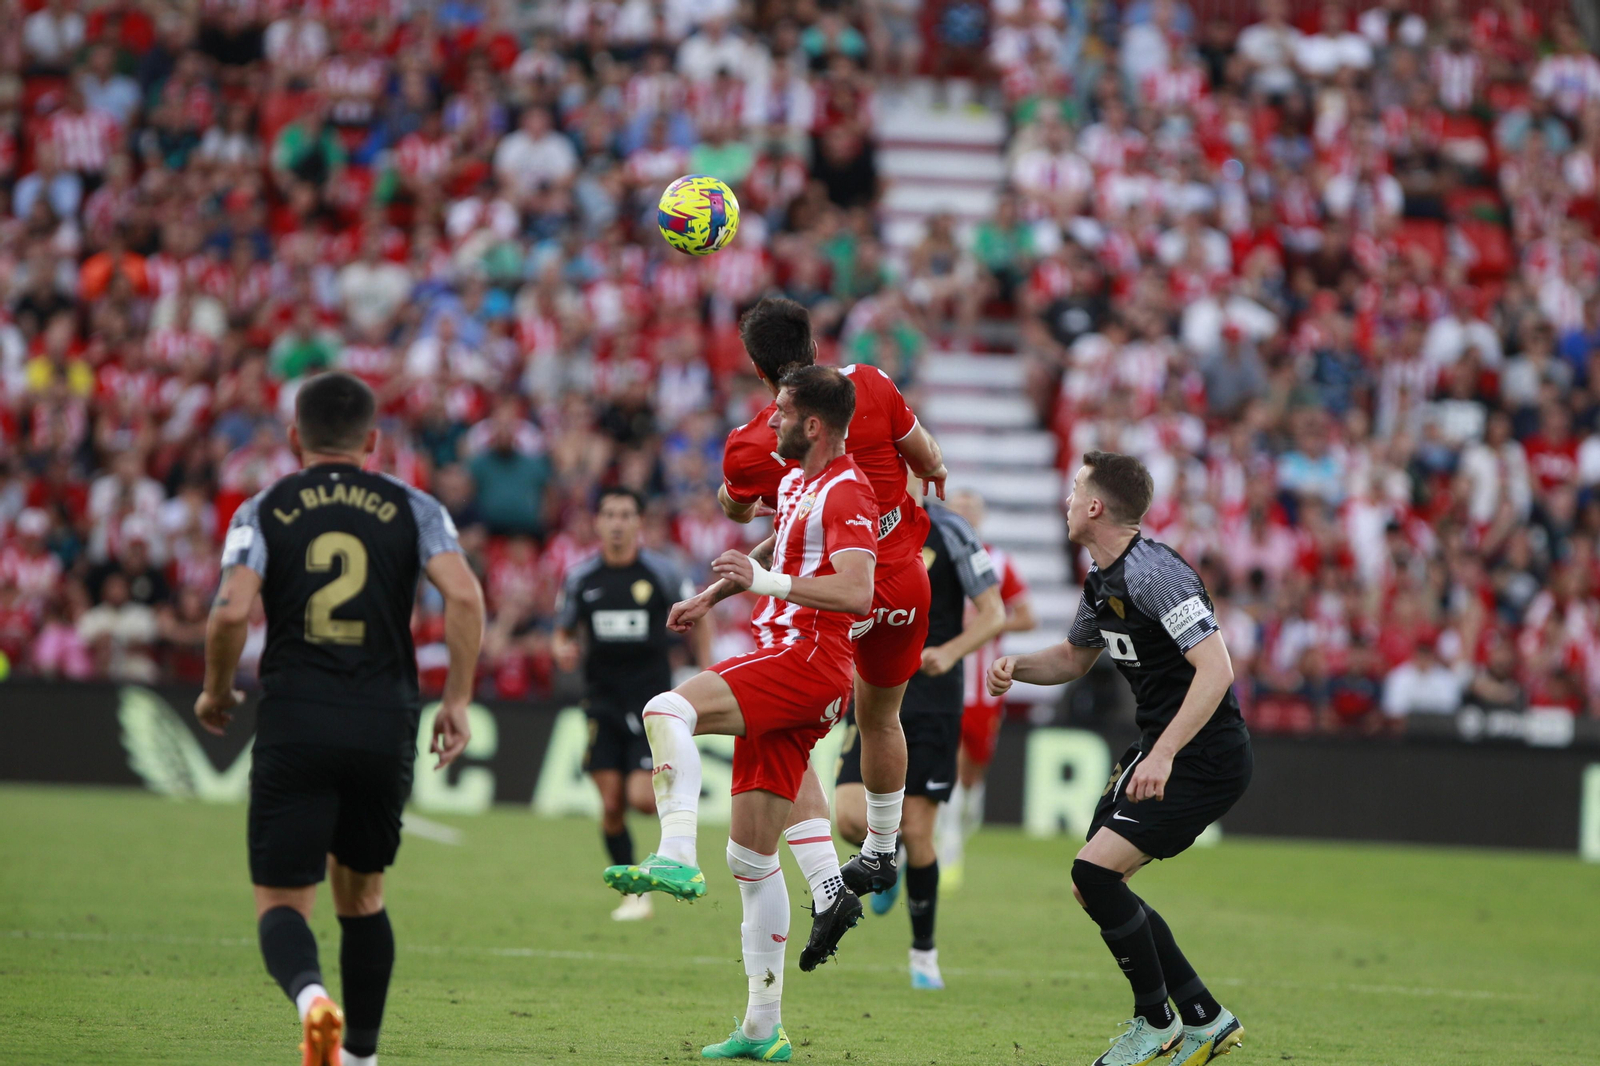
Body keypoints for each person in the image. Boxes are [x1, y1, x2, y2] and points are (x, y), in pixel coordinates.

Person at [195, 372, 485, 1066]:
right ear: (372, 440)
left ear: (294, 437)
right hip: (384, 722)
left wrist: (215, 692)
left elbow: (230, 613)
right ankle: (361, 1058)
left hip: (296, 718)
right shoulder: (414, 506)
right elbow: (466, 597)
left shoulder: (263, 508)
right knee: (362, 897)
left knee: (282, 901)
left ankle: (311, 1001)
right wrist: (456, 700)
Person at [603, 366, 878, 1062]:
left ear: (812, 424)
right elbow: (774, 548)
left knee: (666, 708)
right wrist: (711, 596)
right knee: (751, 858)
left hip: (808, 658)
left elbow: (857, 591)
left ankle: (674, 850)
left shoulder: (849, 489)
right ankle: (763, 1028)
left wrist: (767, 582)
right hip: (785, 653)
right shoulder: (798, 484)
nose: (771, 420)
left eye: (781, 411)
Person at [988, 451, 1249, 1066]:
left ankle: (1157, 1022)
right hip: (1162, 746)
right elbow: (1074, 659)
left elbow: (1217, 669)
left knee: (1095, 875)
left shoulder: (1155, 574)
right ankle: (1205, 1017)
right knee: (1097, 886)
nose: (1068, 500)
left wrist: (1164, 754)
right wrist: (1017, 666)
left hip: (1203, 754)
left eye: (1076, 489)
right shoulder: (1101, 580)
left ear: (1096, 506)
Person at [719, 296, 948, 906]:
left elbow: (736, 505)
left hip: (831, 594)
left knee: (784, 727)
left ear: (758, 370)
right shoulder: (869, 384)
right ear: (815, 346)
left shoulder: (753, 441)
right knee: (881, 719)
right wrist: (931, 473)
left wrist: (744, 500)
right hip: (903, 582)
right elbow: (928, 457)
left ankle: (824, 883)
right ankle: (880, 848)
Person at [833, 499, 1006, 989]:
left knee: (917, 828)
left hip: (932, 697)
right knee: (849, 817)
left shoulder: (949, 529)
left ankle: (923, 955)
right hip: (872, 688)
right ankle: (888, 858)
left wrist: (949, 653)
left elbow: (994, 613)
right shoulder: (858, 518)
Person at [554, 486, 709, 922]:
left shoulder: (663, 572)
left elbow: (701, 616)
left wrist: (706, 667)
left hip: (651, 704)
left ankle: (669, 857)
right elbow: (563, 631)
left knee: (641, 798)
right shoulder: (581, 577)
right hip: (601, 701)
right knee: (610, 806)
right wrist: (562, 649)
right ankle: (634, 897)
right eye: (610, 515)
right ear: (598, 522)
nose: (617, 523)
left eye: (626, 514)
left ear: (640, 522)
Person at [937, 489, 1036, 889]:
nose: (964, 516)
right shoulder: (934, 557)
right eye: (957, 509)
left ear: (980, 517)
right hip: (944, 677)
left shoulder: (998, 563)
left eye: (970, 510)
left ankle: (962, 822)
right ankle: (947, 847)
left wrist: (989, 622)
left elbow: (1027, 617)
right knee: (950, 761)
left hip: (984, 686)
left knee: (973, 771)